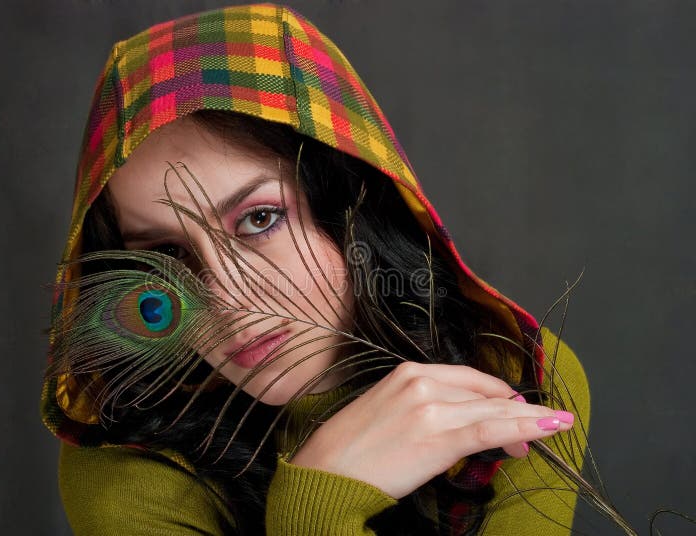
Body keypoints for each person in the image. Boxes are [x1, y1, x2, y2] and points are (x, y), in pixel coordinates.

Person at [40, 4, 591, 535]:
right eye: (167, 257)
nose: (227, 302)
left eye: (260, 219)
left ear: (351, 205)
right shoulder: (125, 463)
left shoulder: (509, 378)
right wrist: (321, 503)